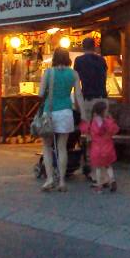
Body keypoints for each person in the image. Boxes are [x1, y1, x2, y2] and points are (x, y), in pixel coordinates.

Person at [38, 47, 82, 192]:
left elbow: (40, 93)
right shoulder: (73, 74)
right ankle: (62, 180)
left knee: (47, 146)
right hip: (66, 112)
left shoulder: (48, 73)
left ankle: (50, 179)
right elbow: (78, 95)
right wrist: (83, 112)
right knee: (62, 147)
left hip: (49, 112)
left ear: (54, 58)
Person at [74, 37, 109, 173]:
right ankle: (102, 164)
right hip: (102, 99)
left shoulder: (79, 61)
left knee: (89, 134)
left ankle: (91, 164)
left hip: (88, 99)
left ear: (83, 47)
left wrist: (77, 102)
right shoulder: (102, 60)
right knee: (101, 133)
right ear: (95, 47)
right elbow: (105, 77)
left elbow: (77, 82)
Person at [87, 99, 119, 193]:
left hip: (97, 149)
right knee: (108, 165)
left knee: (98, 168)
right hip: (107, 147)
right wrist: (111, 120)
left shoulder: (93, 122)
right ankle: (112, 179)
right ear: (104, 111)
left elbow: (91, 132)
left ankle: (99, 186)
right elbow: (115, 129)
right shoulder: (108, 122)